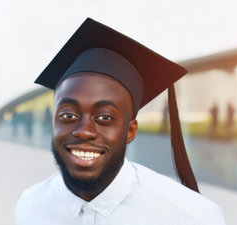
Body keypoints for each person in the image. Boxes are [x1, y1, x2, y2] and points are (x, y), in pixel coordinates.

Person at [15, 18, 226, 224]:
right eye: (68, 116)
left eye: (104, 118)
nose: (84, 131)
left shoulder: (190, 217)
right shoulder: (31, 207)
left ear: (130, 131)